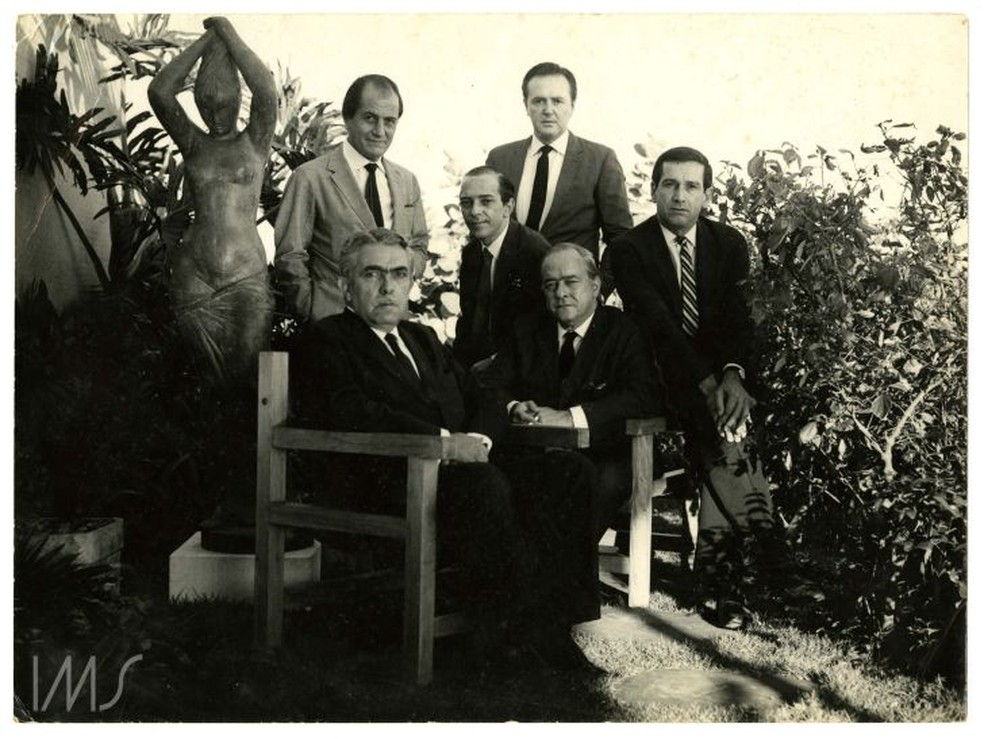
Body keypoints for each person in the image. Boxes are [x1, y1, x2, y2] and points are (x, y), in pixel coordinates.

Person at [291, 228, 602, 673]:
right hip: (383, 482)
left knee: (570, 471)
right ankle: (507, 640)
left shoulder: (422, 339)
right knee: (485, 483)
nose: (387, 287)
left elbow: (483, 395)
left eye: (399, 274)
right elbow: (353, 412)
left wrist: (480, 438)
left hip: (458, 473)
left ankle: (553, 628)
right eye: (372, 274)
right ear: (345, 286)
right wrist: (443, 442)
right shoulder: (326, 340)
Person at [609, 146, 781, 629]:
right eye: (669, 184)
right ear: (653, 190)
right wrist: (712, 386)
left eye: (690, 186)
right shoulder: (628, 249)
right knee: (723, 428)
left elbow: (736, 322)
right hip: (656, 379)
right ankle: (762, 556)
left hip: (715, 383)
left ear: (706, 193)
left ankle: (724, 589)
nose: (679, 195)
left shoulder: (728, 244)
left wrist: (732, 377)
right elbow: (660, 326)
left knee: (722, 433)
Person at [480, 243, 663, 541]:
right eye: (551, 285)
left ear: (595, 285)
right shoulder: (527, 329)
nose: (560, 292)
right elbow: (490, 385)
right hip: (539, 454)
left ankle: (554, 575)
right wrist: (514, 406)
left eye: (570, 282)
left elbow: (644, 396)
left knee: (589, 491)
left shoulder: (623, 330)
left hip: (606, 453)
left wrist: (571, 417)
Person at [147, 15, 276, 384]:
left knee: (250, 380)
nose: (215, 113)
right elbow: (160, 91)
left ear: (238, 97)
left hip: (246, 274)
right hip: (195, 274)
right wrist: (207, 40)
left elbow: (266, 89)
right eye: (206, 104)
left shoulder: (255, 141)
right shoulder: (193, 143)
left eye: (223, 104)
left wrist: (227, 32)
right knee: (201, 384)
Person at [273, 74, 429, 324]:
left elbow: (419, 244)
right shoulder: (310, 178)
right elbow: (289, 256)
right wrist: (312, 312)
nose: (380, 131)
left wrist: (398, 287)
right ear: (348, 118)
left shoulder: (407, 181)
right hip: (332, 325)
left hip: (392, 323)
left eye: (389, 122)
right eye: (370, 118)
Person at [485, 62, 632, 293]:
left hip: (570, 298)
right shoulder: (500, 158)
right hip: (510, 298)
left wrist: (597, 290)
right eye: (538, 101)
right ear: (526, 106)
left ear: (572, 106)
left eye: (557, 100)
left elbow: (620, 237)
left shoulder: (599, 159)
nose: (548, 109)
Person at [454, 166, 550, 370]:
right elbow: (468, 319)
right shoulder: (471, 252)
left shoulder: (534, 252)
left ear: (508, 206)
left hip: (521, 366)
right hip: (475, 365)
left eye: (486, 201)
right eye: (466, 203)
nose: (474, 211)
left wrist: (497, 361)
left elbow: (542, 329)